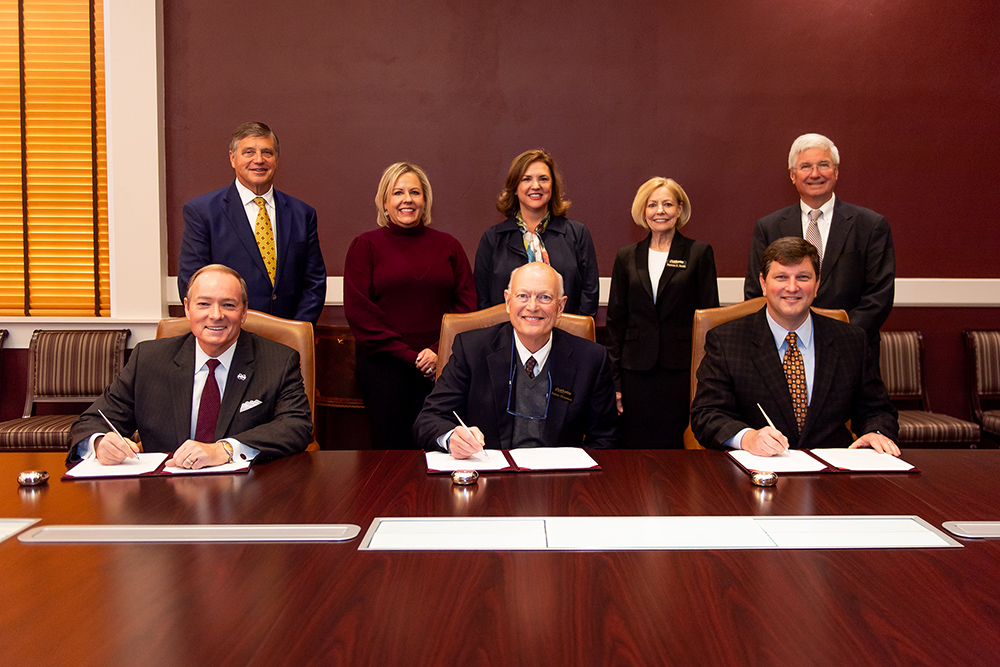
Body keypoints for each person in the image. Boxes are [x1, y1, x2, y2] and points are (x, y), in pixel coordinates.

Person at [68, 264, 312, 467]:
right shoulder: (149, 359)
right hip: (163, 496)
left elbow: (296, 426)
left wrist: (224, 449)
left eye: (228, 305)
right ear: (187, 308)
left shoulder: (278, 360)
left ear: (244, 312)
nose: (216, 315)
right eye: (203, 304)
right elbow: (91, 421)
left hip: (248, 493)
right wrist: (100, 443)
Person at [692, 237, 899, 456]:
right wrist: (747, 437)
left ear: (817, 285)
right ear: (763, 283)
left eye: (803, 277)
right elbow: (706, 414)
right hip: (758, 473)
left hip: (832, 476)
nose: (792, 287)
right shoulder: (727, 340)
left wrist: (876, 433)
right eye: (781, 277)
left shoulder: (851, 340)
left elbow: (877, 410)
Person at [414, 262, 617, 457]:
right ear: (508, 302)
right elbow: (429, 419)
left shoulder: (591, 359)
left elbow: (605, 438)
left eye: (545, 297)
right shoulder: (472, 350)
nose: (532, 306)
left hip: (559, 481)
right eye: (523, 296)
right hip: (490, 478)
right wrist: (451, 438)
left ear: (560, 306)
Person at [344, 162, 476, 449]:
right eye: (398, 192)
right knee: (389, 455)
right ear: (385, 201)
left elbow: (466, 306)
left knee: (439, 448)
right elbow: (360, 313)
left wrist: (437, 350)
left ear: (425, 200)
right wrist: (411, 356)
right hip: (384, 370)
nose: (407, 199)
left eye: (415, 192)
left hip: (440, 369)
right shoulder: (364, 246)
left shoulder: (449, 246)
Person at [744, 133, 894, 361]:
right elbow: (756, 291)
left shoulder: (871, 225)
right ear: (793, 176)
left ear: (835, 171)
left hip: (851, 349)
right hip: (784, 349)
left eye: (823, 165)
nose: (815, 174)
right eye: (806, 166)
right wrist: (788, 335)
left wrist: (839, 336)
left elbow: (879, 296)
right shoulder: (768, 227)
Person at [606, 177, 719, 448]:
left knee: (676, 447)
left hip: (680, 371)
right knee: (634, 447)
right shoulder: (626, 256)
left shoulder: (699, 253)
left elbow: (709, 320)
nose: (660, 211)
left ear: (680, 209)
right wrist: (615, 382)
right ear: (643, 211)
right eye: (652, 205)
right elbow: (615, 322)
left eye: (668, 204)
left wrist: (705, 380)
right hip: (634, 371)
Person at [178, 121, 327, 325]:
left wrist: (294, 331)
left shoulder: (302, 214)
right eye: (249, 152)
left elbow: (314, 283)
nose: (259, 160)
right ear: (232, 158)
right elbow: (192, 283)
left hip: (287, 339)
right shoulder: (203, 212)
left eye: (267, 152)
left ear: (276, 159)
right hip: (228, 336)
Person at [474, 149, 599, 318]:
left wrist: (574, 334)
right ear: (515, 188)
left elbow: (589, 294)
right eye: (526, 179)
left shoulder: (577, 234)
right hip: (505, 339)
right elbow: (483, 300)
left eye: (543, 179)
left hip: (566, 338)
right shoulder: (493, 238)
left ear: (552, 187)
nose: (536, 185)